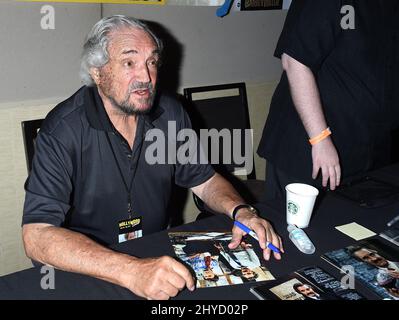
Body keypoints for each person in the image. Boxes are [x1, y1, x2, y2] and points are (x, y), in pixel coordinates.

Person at [21, 15, 283, 300]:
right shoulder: (63, 129)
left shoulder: (170, 113)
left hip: (157, 253)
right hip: (91, 264)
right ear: (98, 72)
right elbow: (37, 234)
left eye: (152, 62)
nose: (146, 76)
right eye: (130, 62)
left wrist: (240, 210)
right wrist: (130, 270)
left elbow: (204, 181)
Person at [257, 0, 399, 200]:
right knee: (297, 229)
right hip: (312, 150)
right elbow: (295, 61)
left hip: (369, 151)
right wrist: (320, 139)